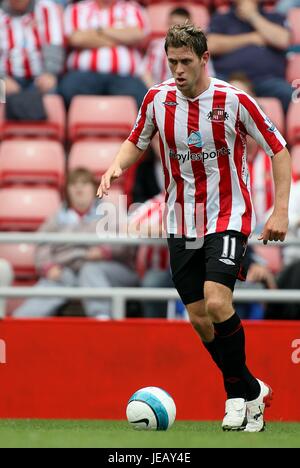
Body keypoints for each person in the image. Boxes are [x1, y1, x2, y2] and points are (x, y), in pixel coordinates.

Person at [97, 24, 291, 432]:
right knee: (201, 319)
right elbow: (137, 138)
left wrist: (280, 212)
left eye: (186, 62)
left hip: (227, 216)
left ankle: (236, 398)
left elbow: (279, 149)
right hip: (181, 220)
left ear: (205, 59)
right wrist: (117, 164)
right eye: (172, 62)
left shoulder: (234, 99)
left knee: (218, 302)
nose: (179, 70)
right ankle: (252, 389)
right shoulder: (156, 98)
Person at [13, 168, 138, 319]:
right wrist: (49, 267)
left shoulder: (111, 213)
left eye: (84, 183)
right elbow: (42, 246)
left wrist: (105, 252)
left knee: (90, 270)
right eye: (73, 184)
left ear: (95, 188)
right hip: (67, 271)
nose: (79, 188)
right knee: (58, 279)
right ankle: (20, 323)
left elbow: (127, 243)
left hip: (107, 269)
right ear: (67, 190)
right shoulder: (57, 218)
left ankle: (102, 319)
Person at [58, 0, 149, 109]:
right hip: (83, 75)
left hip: (125, 77)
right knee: (67, 90)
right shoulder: (77, 9)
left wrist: (99, 30)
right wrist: (122, 37)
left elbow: (137, 35)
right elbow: (76, 39)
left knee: (143, 99)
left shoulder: (133, 8)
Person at [208, 0, 292, 113]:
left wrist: (253, 16)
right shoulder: (221, 18)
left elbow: (283, 40)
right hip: (227, 78)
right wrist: (253, 38)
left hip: (267, 80)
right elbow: (210, 45)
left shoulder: (275, 17)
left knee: (289, 95)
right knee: (207, 93)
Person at [0, 0, 64, 95]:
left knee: (51, 91)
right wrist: (2, 78)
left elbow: (54, 45)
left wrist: (50, 73)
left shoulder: (46, 8)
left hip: (39, 77)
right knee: (1, 92)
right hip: (7, 77)